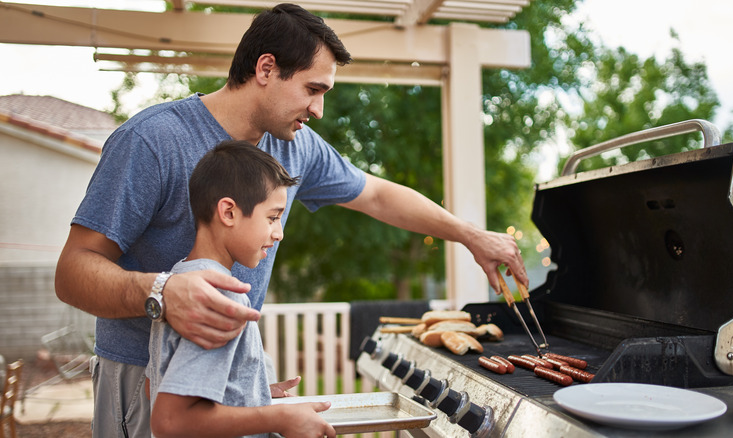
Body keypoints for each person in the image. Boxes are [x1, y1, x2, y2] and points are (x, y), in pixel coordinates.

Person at [54, 3, 528, 437]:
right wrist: (161, 293)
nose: (319, 109)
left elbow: (380, 196)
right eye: (312, 89)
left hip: (224, 384)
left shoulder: (294, 145)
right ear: (266, 69)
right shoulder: (152, 141)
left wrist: (470, 236)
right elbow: (72, 272)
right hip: (142, 378)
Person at [147, 140, 334, 438]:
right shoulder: (221, 294)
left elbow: (154, 386)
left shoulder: (180, 280)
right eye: (273, 217)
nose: (279, 233)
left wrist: (253, 392)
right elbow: (170, 421)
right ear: (229, 212)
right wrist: (277, 417)